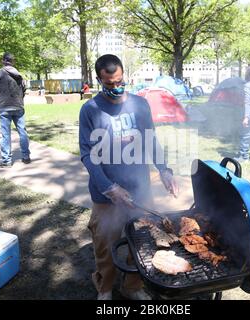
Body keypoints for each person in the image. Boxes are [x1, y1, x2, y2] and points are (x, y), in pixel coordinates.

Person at [79, 54, 178, 300]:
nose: (116, 87)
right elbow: (87, 155)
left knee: (143, 242)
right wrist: (108, 187)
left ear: (125, 76)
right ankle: (105, 288)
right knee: (105, 245)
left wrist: (164, 169)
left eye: (120, 81)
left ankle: (132, 286)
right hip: (106, 195)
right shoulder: (90, 109)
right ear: (99, 80)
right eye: (109, 84)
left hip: (139, 189)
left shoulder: (140, 105)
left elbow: (151, 141)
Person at [0, 52, 31, 167]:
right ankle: (26, 156)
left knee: (6, 134)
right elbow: (23, 90)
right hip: (18, 105)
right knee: (22, 132)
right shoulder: (19, 75)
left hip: (4, 106)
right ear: (12, 62)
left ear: (3, 61)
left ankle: (6, 160)